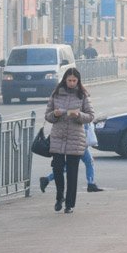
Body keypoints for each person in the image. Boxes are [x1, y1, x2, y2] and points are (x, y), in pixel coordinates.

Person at [44, 67, 95, 214]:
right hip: (58, 137)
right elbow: (47, 116)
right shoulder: (56, 94)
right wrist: (55, 113)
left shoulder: (83, 95)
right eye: (69, 80)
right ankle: (60, 197)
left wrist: (78, 115)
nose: (72, 83)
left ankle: (70, 204)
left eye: (74, 81)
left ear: (78, 81)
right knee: (58, 169)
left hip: (75, 138)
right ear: (64, 80)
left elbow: (91, 116)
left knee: (72, 173)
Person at [41, 121, 104, 193]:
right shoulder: (78, 112)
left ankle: (47, 179)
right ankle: (90, 184)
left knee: (75, 165)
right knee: (83, 163)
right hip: (78, 143)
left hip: (76, 142)